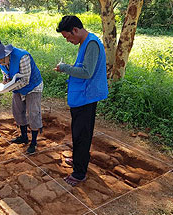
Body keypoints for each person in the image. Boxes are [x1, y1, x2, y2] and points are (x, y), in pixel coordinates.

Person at [54, 15, 109, 186]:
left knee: (82, 135)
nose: (68, 40)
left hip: (87, 97)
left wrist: (64, 68)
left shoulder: (91, 43)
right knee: (78, 132)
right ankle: (79, 159)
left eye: (68, 36)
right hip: (81, 96)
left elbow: (87, 72)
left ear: (75, 30)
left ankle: (79, 173)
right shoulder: (85, 42)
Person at [0, 40, 43, 154]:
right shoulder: (1, 62)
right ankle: (24, 137)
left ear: (6, 55)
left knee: (33, 113)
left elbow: (26, 80)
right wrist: (5, 81)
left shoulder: (22, 57)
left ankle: (34, 143)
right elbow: (5, 74)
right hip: (16, 86)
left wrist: (8, 88)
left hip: (33, 86)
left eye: (0, 61)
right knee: (17, 111)